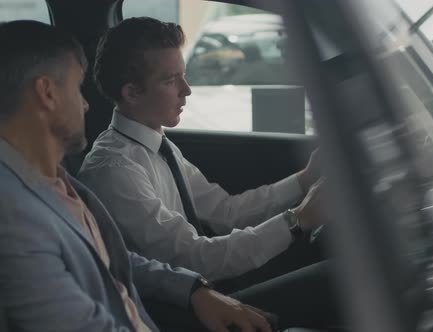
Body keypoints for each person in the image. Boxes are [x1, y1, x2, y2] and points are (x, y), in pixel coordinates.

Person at [0, 20, 278, 332]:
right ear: (47, 93)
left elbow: (110, 259)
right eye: (78, 89)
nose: (87, 104)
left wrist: (191, 290)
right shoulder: (7, 208)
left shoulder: (46, 178)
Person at [79, 16, 326, 291]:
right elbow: (194, 259)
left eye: (183, 76)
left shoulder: (159, 145)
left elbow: (226, 212)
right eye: (171, 81)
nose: (187, 90)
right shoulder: (115, 170)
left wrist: (305, 180)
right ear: (133, 93)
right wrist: (297, 220)